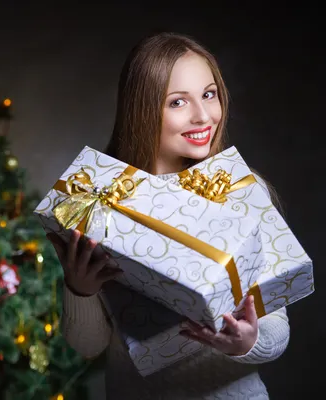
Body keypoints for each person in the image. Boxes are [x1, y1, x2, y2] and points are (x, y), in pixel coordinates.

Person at [46, 32, 290, 399]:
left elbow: (278, 332)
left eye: (209, 94)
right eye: (178, 102)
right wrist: (80, 290)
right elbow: (87, 346)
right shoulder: (98, 207)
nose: (203, 115)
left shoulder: (241, 191)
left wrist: (247, 342)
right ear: (142, 109)